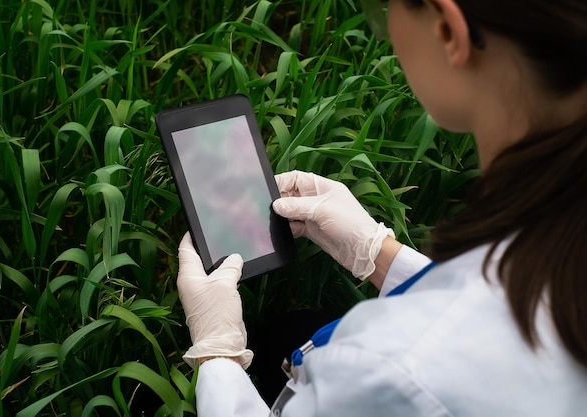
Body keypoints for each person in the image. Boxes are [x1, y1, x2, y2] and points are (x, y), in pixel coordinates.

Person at [175, 0, 587, 415]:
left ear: (448, 31)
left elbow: (445, 337)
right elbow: (496, 304)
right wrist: (379, 255)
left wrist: (219, 356)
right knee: (293, 330)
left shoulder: (389, 369)